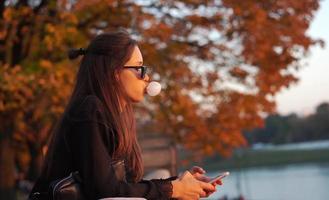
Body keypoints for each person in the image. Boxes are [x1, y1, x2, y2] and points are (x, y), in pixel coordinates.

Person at [28, 29, 221, 200]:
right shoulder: (89, 111)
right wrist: (172, 189)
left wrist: (181, 184)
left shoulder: (118, 117)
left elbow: (125, 188)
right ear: (114, 72)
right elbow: (105, 192)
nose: (146, 77)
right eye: (138, 68)